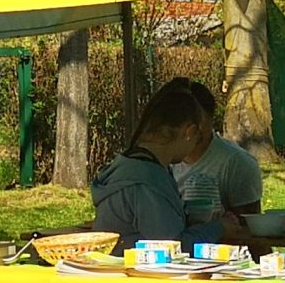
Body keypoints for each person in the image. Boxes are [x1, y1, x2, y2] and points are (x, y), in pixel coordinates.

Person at [91, 85, 222, 251]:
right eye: (198, 138)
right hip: (130, 272)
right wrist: (219, 227)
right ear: (190, 132)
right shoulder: (145, 179)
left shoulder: (132, 165)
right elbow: (173, 247)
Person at [163, 77, 263, 225]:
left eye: (197, 123)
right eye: (179, 122)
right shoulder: (159, 161)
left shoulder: (237, 163)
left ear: (211, 119)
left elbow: (248, 230)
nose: (189, 131)